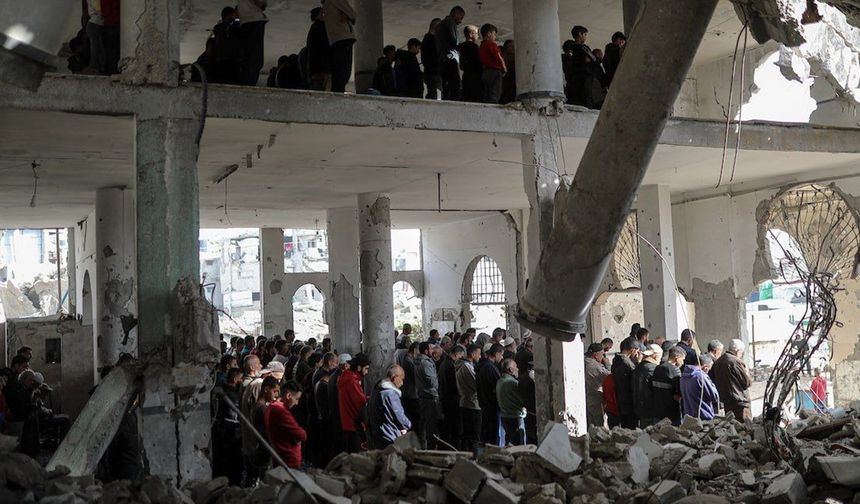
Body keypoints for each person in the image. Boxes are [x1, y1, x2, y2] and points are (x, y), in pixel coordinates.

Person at [368, 364, 412, 449]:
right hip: (389, 435)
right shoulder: (390, 394)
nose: (402, 383)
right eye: (402, 379)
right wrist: (408, 425)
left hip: (378, 433)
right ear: (394, 377)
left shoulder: (378, 389)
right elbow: (398, 415)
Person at [264, 380, 306, 468]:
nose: (296, 403)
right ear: (288, 395)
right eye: (296, 399)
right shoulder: (281, 412)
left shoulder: (272, 407)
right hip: (288, 460)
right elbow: (302, 435)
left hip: (280, 457)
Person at [213, 368, 243, 485]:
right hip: (229, 432)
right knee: (233, 461)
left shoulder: (224, 390)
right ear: (235, 379)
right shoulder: (231, 395)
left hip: (224, 430)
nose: (242, 381)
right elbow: (233, 416)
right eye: (240, 378)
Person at [711, 339, 753, 421]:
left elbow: (713, 379)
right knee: (745, 429)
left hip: (727, 403)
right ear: (738, 351)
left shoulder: (718, 362)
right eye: (742, 352)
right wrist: (747, 372)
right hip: (740, 403)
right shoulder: (735, 362)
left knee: (732, 428)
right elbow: (747, 383)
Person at [567, 25, 606, 109]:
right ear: (580, 34)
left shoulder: (570, 48)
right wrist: (591, 60)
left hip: (573, 78)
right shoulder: (583, 47)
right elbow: (594, 60)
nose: (585, 37)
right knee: (587, 99)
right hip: (585, 77)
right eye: (585, 34)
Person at [338, 353, 370, 452]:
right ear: (359, 368)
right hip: (353, 425)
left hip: (348, 423)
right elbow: (360, 402)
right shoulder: (351, 380)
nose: (367, 372)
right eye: (366, 369)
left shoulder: (347, 377)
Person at [324, 0, 357, 93]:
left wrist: (347, 15)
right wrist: (348, 16)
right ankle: (338, 94)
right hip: (343, 38)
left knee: (338, 72)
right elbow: (353, 15)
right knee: (344, 72)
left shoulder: (327, 4)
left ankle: (337, 93)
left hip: (336, 41)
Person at [435, 6, 466, 101]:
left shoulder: (440, 25)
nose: (460, 21)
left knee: (446, 85)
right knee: (455, 85)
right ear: (456, 14)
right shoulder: (450, 22)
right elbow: (454, 40)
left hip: (442, 58)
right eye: (461, 17)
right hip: (450, 57)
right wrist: (462, 48)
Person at [456, 343, 481, 451]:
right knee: (474, 436)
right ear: (473, 353)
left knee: (467, 434)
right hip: (472, 403)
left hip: (464, 401)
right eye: (479, 354)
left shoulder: (460, 365)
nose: (480, 357)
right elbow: (476, 385)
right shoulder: (467, 367)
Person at [414, 342, 440, 449]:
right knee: (431, 426)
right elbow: (431, 382)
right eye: (431, 349)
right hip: (430, 397)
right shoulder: (426, 363)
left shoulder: (417, 361)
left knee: (423, 425)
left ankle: (422, 447)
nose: (433, 350)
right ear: (425, 351)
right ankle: (430, 449)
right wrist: (437, 381)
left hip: (422, 396)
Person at [477, 343, 504, 446]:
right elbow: (496, 387)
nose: (502, 358)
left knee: (487, 434)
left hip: (484, 404)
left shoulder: (484, 366)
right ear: (496, 353)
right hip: (491, 406)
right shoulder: (489, 367)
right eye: (501, 355)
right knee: (492, 436)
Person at [237, 0, 268, 86]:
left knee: (249, 54)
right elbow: (261, 2)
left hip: (245, 20)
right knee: (256, 57)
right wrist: (263, 5)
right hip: (255, 19)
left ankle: (246, 81)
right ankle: (249, 82)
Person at [680, 354, 720, 420]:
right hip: (703, 414)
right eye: (709, 369)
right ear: (705, 367)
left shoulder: (684, 375)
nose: (708, 371)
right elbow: (715, 396)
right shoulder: (700, 377)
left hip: (688, 415)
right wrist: (710, 381)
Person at [438, 344, 463, 447]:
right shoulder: (451, 365)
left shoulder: (444, 363)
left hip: (445, 397)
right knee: (453, 426)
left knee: (448, 425)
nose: (461, 358)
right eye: (461, 356)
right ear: (456, 354)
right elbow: (454, 384)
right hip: (451, 399)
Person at [652, 346, 685, 425]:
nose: (683, 362)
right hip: (671, 413)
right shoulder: (675, 370)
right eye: (683, 359)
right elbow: (679, 392)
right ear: (677, 357)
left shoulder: (657, 368)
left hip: (657, 411)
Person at [210, 6, 243, 84]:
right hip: (231, 63)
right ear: (229, 15)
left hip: (219, 63)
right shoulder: (230, 27)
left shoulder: (218, 29)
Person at [611, 338, 639, 429]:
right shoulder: (627, 364)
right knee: (631, 428)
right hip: (628, 401)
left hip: (620, 399)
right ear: (632, 350)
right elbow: (635, 379)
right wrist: (638, 363)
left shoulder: (616, 360)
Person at [496, 359, 526, 446]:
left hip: (504, 416)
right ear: (510, 369)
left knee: (508, 442)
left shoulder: (500, 380)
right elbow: (521, 400)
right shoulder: (512, 383)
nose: (518, 369)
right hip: (514, 417)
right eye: (515, 367)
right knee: (518, 445)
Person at [632, 344, 662, 428]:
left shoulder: (638, 367)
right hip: (651, 409)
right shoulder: (654, 369)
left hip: (639, 408)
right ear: (655, 356)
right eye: (660, 356)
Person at [584, 343, 610, 427]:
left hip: (586, 398)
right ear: (596, 355)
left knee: (590, 426)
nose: (602, 357)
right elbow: (609, 377)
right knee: (599, 426)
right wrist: (607, 364)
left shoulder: (583, 361)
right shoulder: (595, 366)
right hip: (595, 399)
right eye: (602, 354)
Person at [306, 7, 332, 91]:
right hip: (322, 68)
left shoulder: (314, 28)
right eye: (322, 13)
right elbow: (326, 46)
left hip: (315, 69)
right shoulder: (321, 27)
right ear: (318, 16)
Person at [396, 341, 420, 427]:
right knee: (414, 418)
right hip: (411, 394)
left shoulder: (408, 360)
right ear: (414, 350)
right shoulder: (409, 362)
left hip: (408, 393)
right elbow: (414, 378)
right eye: (418, 351)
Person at [458, 25, 482, 102]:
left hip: (466, 74)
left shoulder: (461, 46)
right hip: (475, 75)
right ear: (471, 34)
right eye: (477, 33)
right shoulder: (473, 47)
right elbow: (477, 60)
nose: (478, 36)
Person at [422, 18, 442, 99]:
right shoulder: (431, 39)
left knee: (432, 92)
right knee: (433, 93)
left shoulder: (427, 39)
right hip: (433, 71)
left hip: (430, 71)